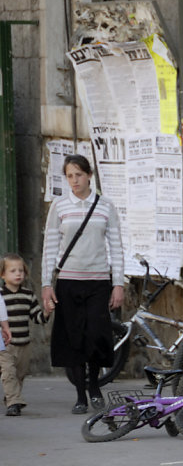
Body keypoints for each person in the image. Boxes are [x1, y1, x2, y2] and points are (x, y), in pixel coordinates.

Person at [41, 154, 125, 415]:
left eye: (78, 174)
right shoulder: (60, 206)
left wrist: (118, 284)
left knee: (97, 337)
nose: (74, 180)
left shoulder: (105, 206)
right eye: (69, 176)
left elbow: (116, 247)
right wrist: (46, 284)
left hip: (99, 281)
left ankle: (95, 386)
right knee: (73, 339)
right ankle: (80, 395)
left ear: (89, 175)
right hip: (68, 281)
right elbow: (50, 247)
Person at [0, 254, 48, 416]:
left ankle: (12, 398)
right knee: (8, 373)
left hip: (24, 344)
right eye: (13, 271)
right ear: (3, 275)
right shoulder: (1, 296)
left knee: (20, 374)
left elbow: (38, 318)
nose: (18, 274)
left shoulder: (28, 295)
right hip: (6, 345)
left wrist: (47, 312)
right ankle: (13, 402)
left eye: (21, 270)